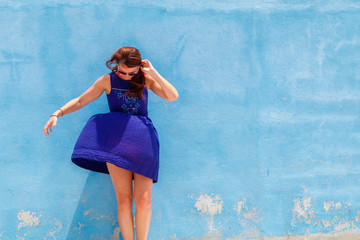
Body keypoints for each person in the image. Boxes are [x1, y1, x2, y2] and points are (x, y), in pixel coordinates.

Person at [43, 46, 179, 240]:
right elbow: (81, 100)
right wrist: (57, 113)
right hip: (116, 145)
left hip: (143, 143)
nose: (125, 76)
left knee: (144, 200)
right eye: (121, 71)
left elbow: (173, 96)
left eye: (131, 72)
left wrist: (153, 72)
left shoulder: (146, 80)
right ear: (116, 65)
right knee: (124, 200)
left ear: (139, 68)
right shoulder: (107, 81)